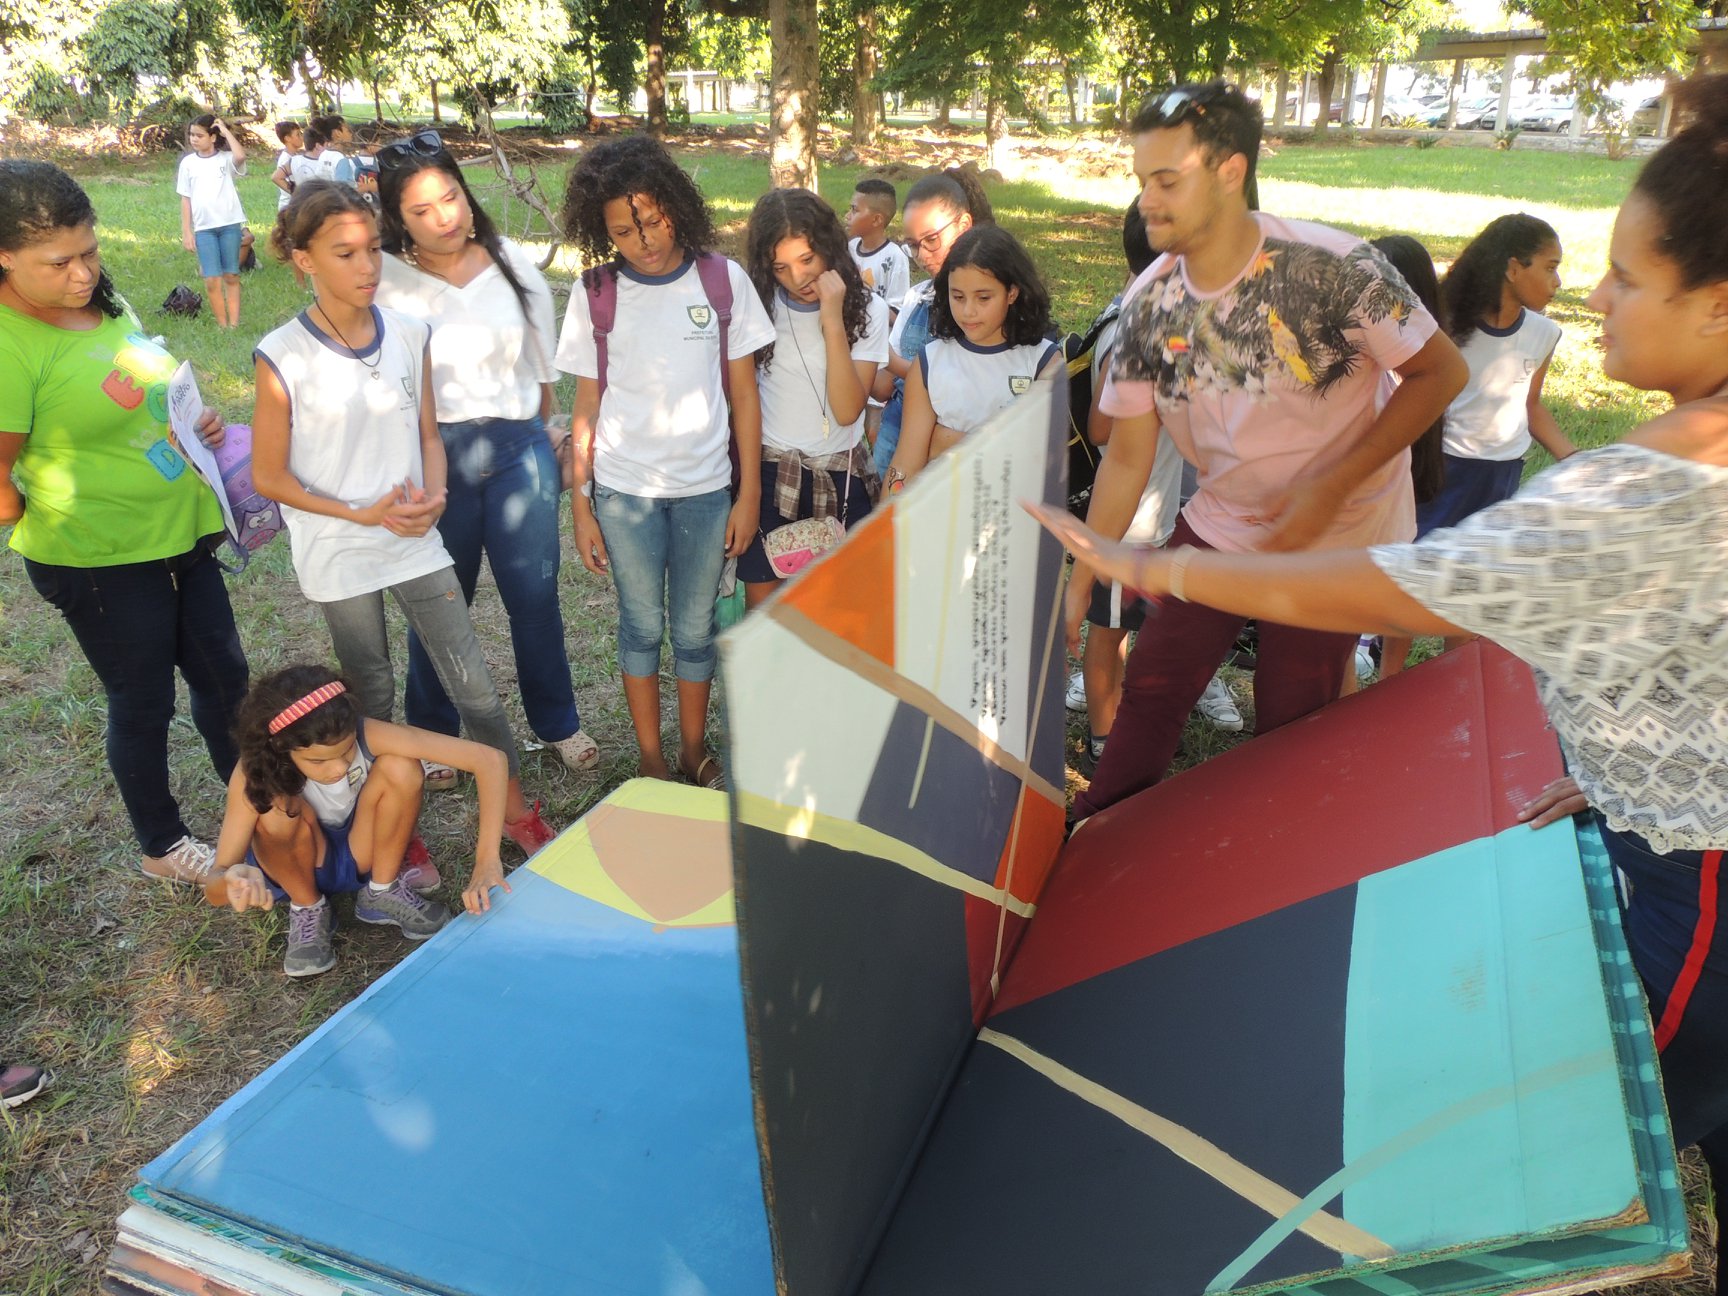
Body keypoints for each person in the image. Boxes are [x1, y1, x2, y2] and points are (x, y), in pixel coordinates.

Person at [1029, 73, 1728, 1296]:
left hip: (1696, 886)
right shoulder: (1146, 307)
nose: (1599, 300)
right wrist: (1627, 780)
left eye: (1627, 277)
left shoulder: (1642, 489)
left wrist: (1159, 569)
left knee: (1553, 1161)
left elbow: (1406, 589)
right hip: (1667, 844)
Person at [1066, 79, 1467, 822]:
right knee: (1155, 676)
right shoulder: (1149, 306)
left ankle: (1275, 865)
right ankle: (1095, 835)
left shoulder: (1341, 268)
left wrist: (1331, 485)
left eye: (1167, 181)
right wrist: (1087, 566)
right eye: (1140, 182)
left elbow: (1441, 371)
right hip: (1225, 521)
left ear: (1230, 171)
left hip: (1337, 536)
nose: (1148, 202)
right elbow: (1127, 455)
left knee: (1295, 716)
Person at [252, 180, 556, 858]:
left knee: (473, 684)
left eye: (373, 250)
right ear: (304, 260)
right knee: (372, 693)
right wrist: (357, 512)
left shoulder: (411, 333)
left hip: (415, 539)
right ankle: (390, 821)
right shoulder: (282, 355)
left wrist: (437, 496)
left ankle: (511, 810)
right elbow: (268, 475)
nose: (366, 269)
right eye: (344, 254)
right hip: (340, 548)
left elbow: (427, 438)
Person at [1, 159, 250, 884]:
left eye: (91, 251)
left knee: (225, 680)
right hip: (100, 562)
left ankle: (258, 804)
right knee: (143, 700)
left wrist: (192, 420)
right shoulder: (11, 346)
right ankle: (163, 845)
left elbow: (141, 387)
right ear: (6, 256)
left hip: (182, 536)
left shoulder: (101, 303)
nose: (82, 273)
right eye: (61, 261)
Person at [374, 130, 599, 778]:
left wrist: (545, 432)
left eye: (451, 197)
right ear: (397, 219)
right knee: (442, 600)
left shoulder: (510, 263)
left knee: (535, 596)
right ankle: (435, 731)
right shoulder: (384, 279)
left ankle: (559, 723)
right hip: (433, 453)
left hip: (516, 448)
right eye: (422, 210)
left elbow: (542, 369)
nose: (445, 217)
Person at [554, 136, 775, 788]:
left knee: (697, 629)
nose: (643, 239)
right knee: (642, 626)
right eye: (623, 229)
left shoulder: (721, 281)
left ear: (676, 205)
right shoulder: (596, 293)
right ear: (603, 231)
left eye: (651, 219)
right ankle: (652, 760)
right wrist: (582, 504)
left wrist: (749, 495)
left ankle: (691, 750)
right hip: (624, 495)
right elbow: (586, 407)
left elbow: (743, 396)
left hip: (709, 492)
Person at [200, 665, 512, 977]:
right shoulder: (253, 772)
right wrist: (230, 882)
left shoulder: (365, 731)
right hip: (297, 865)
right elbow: (215, 883)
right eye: (318, 761)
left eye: (347, 751)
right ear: (280, 747)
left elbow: (490, 760)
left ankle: (381, 889)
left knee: (402, 766)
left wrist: (487, 861)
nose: (337, 768)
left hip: (360, 851)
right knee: (274, 804)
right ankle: (308, 907)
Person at [1067, 203, 1232, 772]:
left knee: (1123, 629)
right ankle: (1102, 741)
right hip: (1127, 525)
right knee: (1107, 636)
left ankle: (1109, 727)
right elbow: (1101, 427)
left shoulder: (1160, 322)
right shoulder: (1132, 330)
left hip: (1149, 517)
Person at [739, 187, 888, 608]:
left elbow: (845, 410)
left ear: (829, 247)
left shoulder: (868, 311)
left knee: (841, 617)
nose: (798, 277)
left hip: (841, 480)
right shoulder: (758, 307)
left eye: (807, 260)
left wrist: (832, 320)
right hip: (771, 475)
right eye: (781, 267)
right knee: (765, 618)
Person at [1426, 213, 1574, 534]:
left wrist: (1575, 459)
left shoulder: (1544, 333)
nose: (1558, 281)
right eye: (1550, 267)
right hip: (1443, 468)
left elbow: (1531, 405)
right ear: (1513, 269)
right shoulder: (1445, 325)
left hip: (1502, 474)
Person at [886, 224, 1060, 486]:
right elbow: (905, 465)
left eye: (983, 298)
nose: (968, 311)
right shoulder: (930, 362)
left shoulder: (1043, 362)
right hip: (941, 513)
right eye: (958, 296)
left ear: (1011, 293)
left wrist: (944, 442)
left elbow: (1043, 460)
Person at [871, 166, 996, 476]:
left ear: (964, 224)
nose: (922, 255)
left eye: (931, 240)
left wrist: (889, 360)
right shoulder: (917, 298)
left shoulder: (994, 307)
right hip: (897, 451)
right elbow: (883, 389)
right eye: (913, 245)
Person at [1363, 233, 1448, 684]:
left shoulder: (1406, 368)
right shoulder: (1423, 356)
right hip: (1391, 508)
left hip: (1387, 505)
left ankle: (1381, 673)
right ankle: (1383, 672)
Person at [176, 113, 248, 328]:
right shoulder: (188, 164)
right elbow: (185, 199)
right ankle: (222, 324)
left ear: (213, 137)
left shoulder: (225, 159)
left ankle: (234, 323)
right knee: (211, 279)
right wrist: (187, 232)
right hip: (204, 229)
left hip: (229, 225)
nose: (194, 139)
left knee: (231, 274)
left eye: (199, 135)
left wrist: (226, 131)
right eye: (191, 135)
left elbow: (241, 157)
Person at [846, 178, 910, 317]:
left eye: (854, 210)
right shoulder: (850, 248)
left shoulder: (894, 257)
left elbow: (897, 315)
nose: (847, 216)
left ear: (876, 220)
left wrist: (862, 294)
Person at [269, 120, 303, 212]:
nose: (301, 137)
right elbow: (277, 178)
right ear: (287, 138)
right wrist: (298, 193)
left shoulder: (295, 156)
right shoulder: (286, 159)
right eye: (298, 135)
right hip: (289, 206)